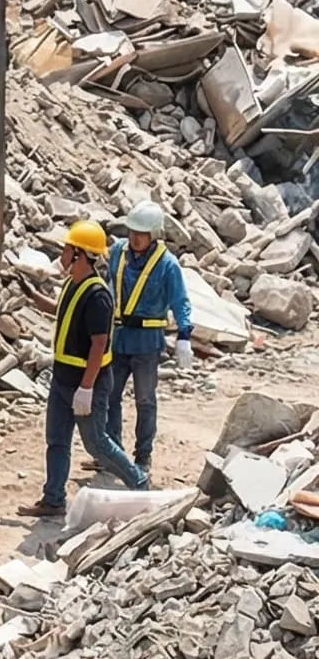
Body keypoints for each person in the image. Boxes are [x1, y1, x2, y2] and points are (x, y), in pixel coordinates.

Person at [22, 221, 151, 518]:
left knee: (97, 444)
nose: (62, 253)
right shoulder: (72, 283)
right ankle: (53, 499)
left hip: (85, 381)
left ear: (79, 254)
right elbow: (61, 309)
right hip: (63, 377)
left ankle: (138, 481)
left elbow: (98, 345)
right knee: (56, 440)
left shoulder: (97, 296)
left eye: (67, 248)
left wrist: (87, 388)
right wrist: (31, 295)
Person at [99, 201, 195, 476]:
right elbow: (107, 287)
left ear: (154, 235)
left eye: (141, 233)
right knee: (109, 396)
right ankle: (111, 452)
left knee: (144, 400)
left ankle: (143, 456)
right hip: (118, 337)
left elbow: (180, 302)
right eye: (131, 232)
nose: (135, 238)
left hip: (147, 341)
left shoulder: (167, 265)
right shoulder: (118, 252)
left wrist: (184, 336)